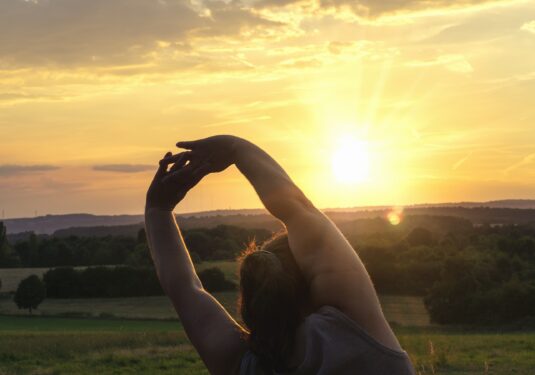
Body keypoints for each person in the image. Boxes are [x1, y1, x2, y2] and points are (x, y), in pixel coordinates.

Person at [145, 135, 415, 375]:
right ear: (311, 284)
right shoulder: (351, 330)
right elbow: (298, 210)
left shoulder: (241, 364)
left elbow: (183, 287)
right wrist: (235, 148)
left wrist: (159, 208)